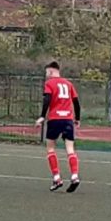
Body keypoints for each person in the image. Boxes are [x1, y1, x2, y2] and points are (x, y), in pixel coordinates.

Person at [34, 61, 82, 192]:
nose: (46, 75)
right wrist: (77, 118)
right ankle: (74, 176)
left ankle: (57, 178)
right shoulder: (68, 84)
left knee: (50, 148)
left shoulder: (49, 83)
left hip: (55, 119)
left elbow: (47, 100)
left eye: (47, 73)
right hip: (68, 120)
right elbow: (76, 103)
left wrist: (42, 116)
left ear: (50, 71)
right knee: (70, 149)